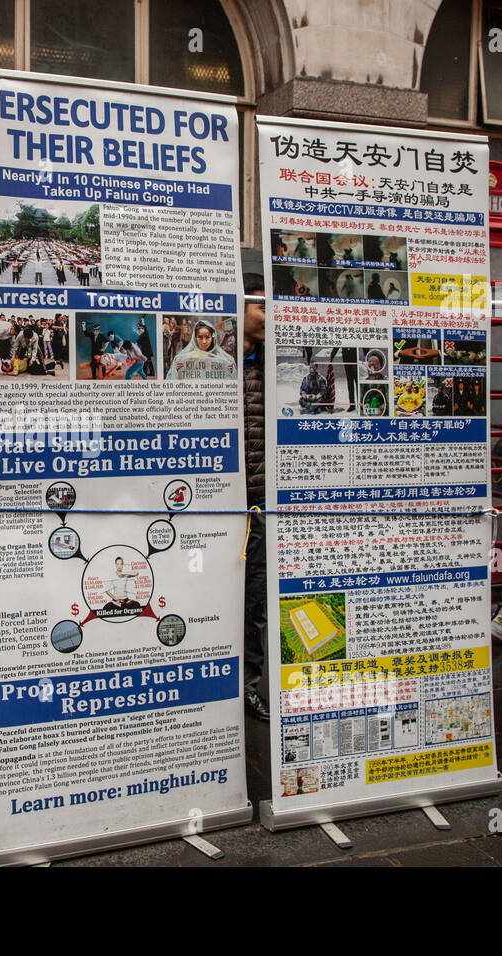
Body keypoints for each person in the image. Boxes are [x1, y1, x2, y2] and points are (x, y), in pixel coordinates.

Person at [241, 273, 269, 721]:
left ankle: (250, 685)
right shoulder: (214, 361)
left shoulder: (275, 364)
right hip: (217, 504)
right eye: (261, 305)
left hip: (261, 502)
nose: (270, 314)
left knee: (258, 599)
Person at [167, 320, 236, 379]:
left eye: (207, 337)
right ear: (195, 338)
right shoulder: (185, 358)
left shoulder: (222, 359)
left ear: (212, 337)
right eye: (200, 337)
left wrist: (231, 372)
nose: (204, 342)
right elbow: (171, 382)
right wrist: (175, 370)